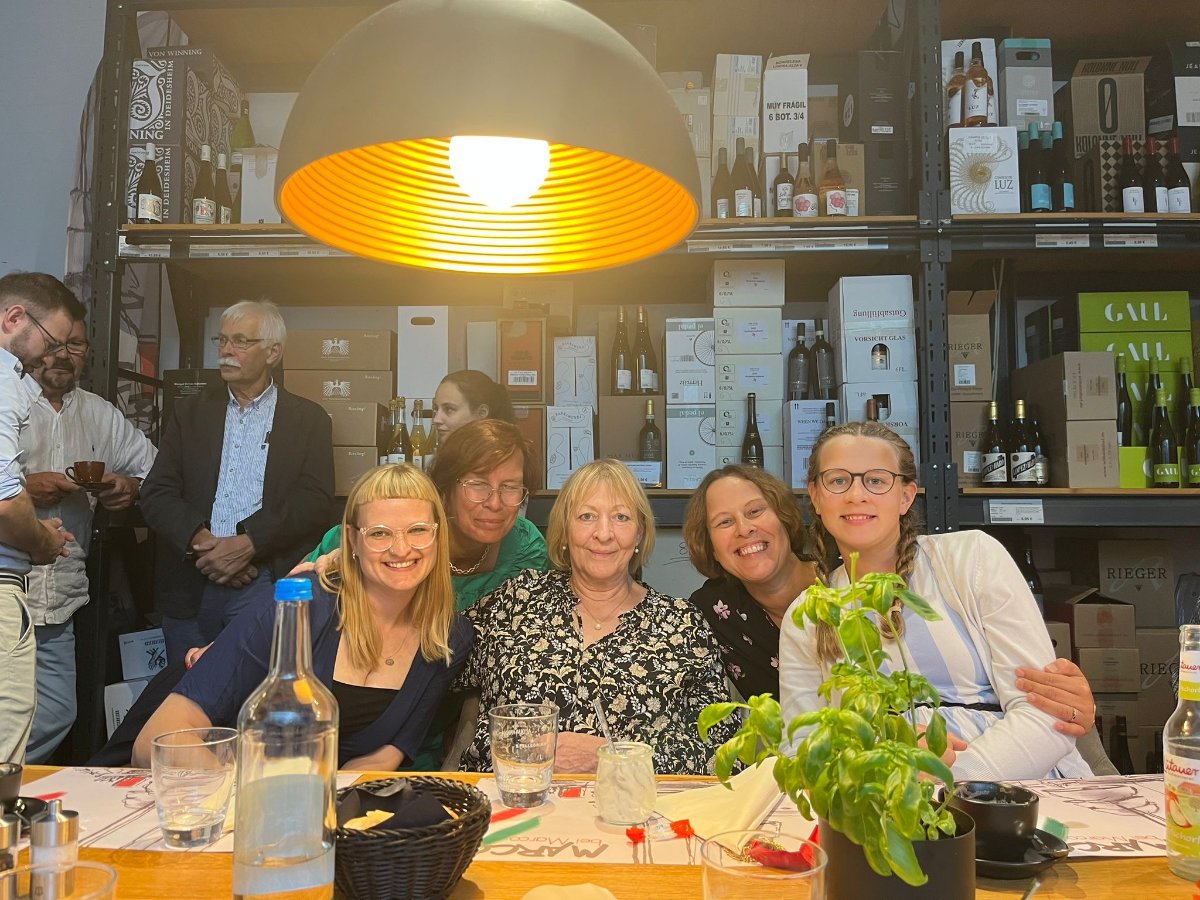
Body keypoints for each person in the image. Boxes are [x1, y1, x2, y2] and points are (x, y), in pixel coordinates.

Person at [682, 463, 1101, 746]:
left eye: (756, 511)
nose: (744, 529)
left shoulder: (854, 573)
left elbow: (1034, 696)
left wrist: (1072, 706)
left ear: (784, 517)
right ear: (708, 543)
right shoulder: (707, 613)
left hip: (968, 744)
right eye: (724, 522)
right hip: (850, 766)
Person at [780, 422, 1092, 779]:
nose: (856, 495)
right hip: (884, 795)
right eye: (838, 480)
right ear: (816, 497)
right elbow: (802, 748)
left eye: (877, 481)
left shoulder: (972, 558)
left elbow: (1046, 710)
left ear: (906, 496)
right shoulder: (806, 616)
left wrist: (951, 779)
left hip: (1018, 787)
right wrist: (887, 765)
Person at [132, 464, 473, 770]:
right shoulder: (301, 606)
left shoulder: (447, 638)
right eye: (379, 533)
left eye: (418, 530)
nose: (401, 548)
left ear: (438, 535)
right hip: (207, 791)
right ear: (352, 540)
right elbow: (154, 741)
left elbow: (386, 755)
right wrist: (252, 803)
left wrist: (322, 807)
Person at [455, 459, 736, 776]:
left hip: (632, 804)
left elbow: (725, 756)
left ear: (639, 533)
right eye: (587, 516)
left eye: (621, 517)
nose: (604, 534)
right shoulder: (516, 601)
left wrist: (612, 756)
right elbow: (430, 654)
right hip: (510, 797)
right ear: (564, 530)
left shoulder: (682, 625)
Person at [140, 300, 334, 665]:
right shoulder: (190, 412)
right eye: (223, 340)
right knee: (184, 691)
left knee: (260, 690)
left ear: (273, 352)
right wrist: (205, 545)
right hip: (191, 582)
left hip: (262, 582)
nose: (227, 350)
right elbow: (156, 492)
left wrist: (250, 543)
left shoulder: (309, 419)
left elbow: (315, 501)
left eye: (241, 341)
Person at [19, 316, 156, 762]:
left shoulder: (99, 414)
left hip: (62, 595)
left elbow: (156, 470)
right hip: (7, 589)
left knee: (57, 712)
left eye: (75, 345)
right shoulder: (8, 402)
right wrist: (23, 488)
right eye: (54, 344)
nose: (63, 355)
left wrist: (130, 487)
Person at [301, 419, 548, 610]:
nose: (494, 503)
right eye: (477, 484)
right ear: (446, 490)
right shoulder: (369, 535)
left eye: (510, 487)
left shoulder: (525, 547)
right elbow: (289, 609)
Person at [0, 272, 78, 763]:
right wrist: (43, 542)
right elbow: (5, 501)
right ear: (14, 318)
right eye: (50, 342)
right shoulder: (3, 378)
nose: (50, 357)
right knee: (4, 746)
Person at [431, 370, 516, 443]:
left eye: (449, 409)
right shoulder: (461, 453)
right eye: (436, 408)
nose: (436, 419)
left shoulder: (496, 455)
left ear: (481, 413)